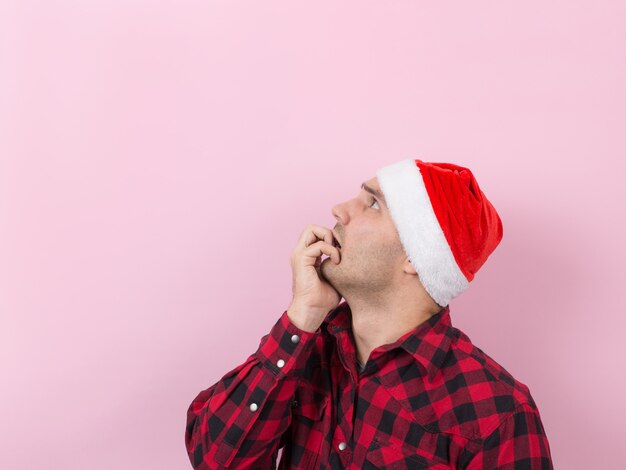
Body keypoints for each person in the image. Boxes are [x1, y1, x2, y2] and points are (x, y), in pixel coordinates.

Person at [184, 158, 554, 469]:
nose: (339, 210)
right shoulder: (302, 352)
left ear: (416, 256)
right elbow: (214, 459)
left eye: (373, 204)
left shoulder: (497, 412)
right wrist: (303, 313)